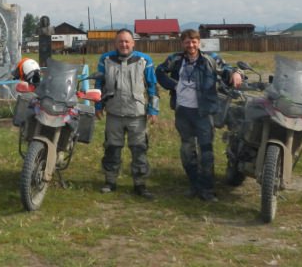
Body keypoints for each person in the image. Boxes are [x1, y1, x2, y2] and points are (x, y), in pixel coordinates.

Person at [155, 29, 242, 202]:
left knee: (206, 152)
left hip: (204, 112)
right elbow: (159, 71)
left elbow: (227, 69)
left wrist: (236, 73)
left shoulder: (210, 59)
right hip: (183, 111)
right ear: (182, 43)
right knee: (187, 149)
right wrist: (173, 86)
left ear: (199, 42)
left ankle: (207, 189)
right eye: (187, 41)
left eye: (194, 41)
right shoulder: (175, 59)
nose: (191, 45)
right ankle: (194, 184)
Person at [95, 28, 159, 200]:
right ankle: (110, 182)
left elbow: (152, 86)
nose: (124, 44)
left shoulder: (145, 60)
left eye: (127, 41)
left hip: (137, 115)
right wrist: (98, 106)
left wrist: (153, 110)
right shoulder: (106, 59)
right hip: (114, 113)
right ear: (116, 43)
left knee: (139, 150)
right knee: (112, 149)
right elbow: (99, 83)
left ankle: (140, 184)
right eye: (120, 41)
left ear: (133, 43)